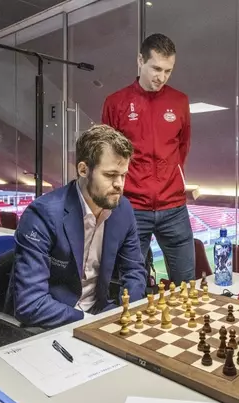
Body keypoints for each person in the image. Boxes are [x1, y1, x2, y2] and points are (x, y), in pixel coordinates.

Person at [8, 125, 146, 329]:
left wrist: (128, 315)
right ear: (83, 170)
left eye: (123, 175)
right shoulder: (43, 214)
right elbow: (31, 304)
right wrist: (90, 324)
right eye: (110, 175)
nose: (119, 184)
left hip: (100, 313)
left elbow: (134, 271)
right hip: (53, 321)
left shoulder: (122, 209)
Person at [101, 33, 194, 285]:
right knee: (130, 287)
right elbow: (107, 157)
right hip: (131, 207)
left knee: (186, 285)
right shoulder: (115, 103)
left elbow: (182, 148)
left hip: (174, 208)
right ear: (140, 60)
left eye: (168, 71)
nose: (161, 77)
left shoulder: (180, 101)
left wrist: (169, 178)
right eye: (156, 68)